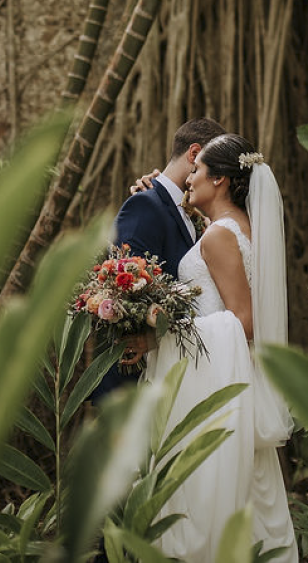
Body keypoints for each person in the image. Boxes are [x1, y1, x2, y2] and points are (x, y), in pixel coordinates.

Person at [142, 133, 298, 562]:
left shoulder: (218, 237)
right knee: (246, 489)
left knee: (210, 487)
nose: (189, 177)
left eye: (197, 170)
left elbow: (243, 322)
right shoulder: (234, 230)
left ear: (222, 181)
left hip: (214, 384)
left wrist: (167, 324)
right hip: (227, 377)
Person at [90, 117, 226, 402]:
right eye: (212, 169)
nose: (216, 179)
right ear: (193, 154)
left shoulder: (193, 216)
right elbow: (124, 295)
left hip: (171, 374)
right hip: (134, 382)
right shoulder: (145, 204)